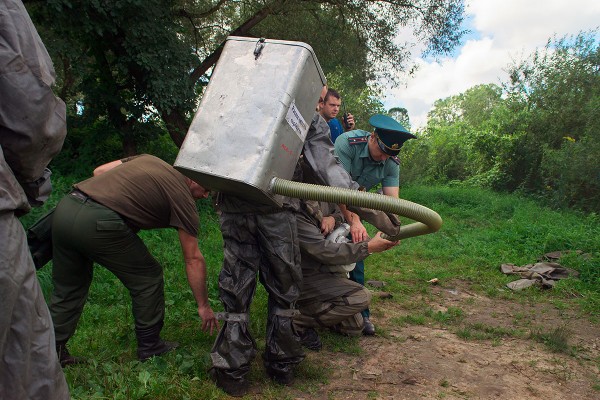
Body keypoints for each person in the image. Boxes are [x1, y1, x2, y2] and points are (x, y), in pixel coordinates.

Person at [49, 154, 218, 366]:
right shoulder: (183, 198)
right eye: (206, 189)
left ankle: (51, 351)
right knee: (148, 276)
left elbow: (99, 171)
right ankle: (150, 346)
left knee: (68, 287)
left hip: (65, 209)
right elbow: (193, 258)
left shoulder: (149, 158)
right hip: (98, 222)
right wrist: (203, 305)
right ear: (193, 178)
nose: (205, 196)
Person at [0, 1, 70, 398]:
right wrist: (27, 184)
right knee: (24, 366)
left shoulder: (146, 165)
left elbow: (99, 173)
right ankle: (151, 343)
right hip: (92, 221)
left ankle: (66, 341)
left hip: (74, 208)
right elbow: (29, 102)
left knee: (70, 283)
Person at [334, 114, 417, 335]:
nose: (383, 159)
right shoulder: (347, 144)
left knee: (358, 248)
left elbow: (392, 201)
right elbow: (339, 188)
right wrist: (355, 221)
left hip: (354, 204)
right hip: (324, 199)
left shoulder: (390, 161)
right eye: (382, 152)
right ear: (372, 137)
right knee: (322, 254)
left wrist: (391, 228)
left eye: (390, 155)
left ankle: (362, 315)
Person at [294, 200, 399, 349]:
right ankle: (295, 320)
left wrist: (332, 218)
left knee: (354, 327)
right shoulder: (296, 205)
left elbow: (341, 213)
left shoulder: (323, 193)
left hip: (325, 271)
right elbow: (324, 252)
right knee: (360, 297)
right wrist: (368, 247)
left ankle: (312, 308)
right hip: (303, 275)